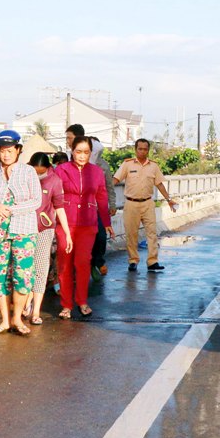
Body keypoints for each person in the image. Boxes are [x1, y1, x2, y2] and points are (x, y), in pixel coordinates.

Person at [0, 130, 42, 336]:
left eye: (10, 150)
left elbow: (36, 201)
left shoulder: (28, 172)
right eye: (2, 151)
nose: (5, 155)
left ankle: (17, 318)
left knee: (22, 275)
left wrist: (8, 211)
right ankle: (5, 321)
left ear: (18, 150)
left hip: (24, 231)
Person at [54, 136, 112, 318]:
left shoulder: (96, 172)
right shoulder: (61, 170)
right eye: (78, 152)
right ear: (71, 150)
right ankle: (66, 304)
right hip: (65, 223)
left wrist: (107, 223)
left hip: (88, 224)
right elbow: (54, 197)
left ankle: (82, 301)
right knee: (64, 263)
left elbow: (102, 198)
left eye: (86, 152)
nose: (82, 156)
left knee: (82, 262)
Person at [113, 138, 177, 273]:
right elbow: (115, 179)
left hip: (148, 203)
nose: (142, 151)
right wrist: (102, 189)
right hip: (131, 203)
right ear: (135, 150)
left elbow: (159, 184)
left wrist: (169, 199)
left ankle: (152, 261)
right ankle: (133, 261)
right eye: (140, 149)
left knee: (152, 233)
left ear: (148, 150)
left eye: (145, 149)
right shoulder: (127, 165)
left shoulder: (153, 166)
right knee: (131, 234)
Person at [28, 152, 72, 326]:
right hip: (24, 229)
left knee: (40, 269)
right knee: (25, 269)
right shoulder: (24, 178)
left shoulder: (54, 181)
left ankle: (36, 311)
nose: (38, 175)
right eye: (35, 171)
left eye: (41, 172)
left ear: (48, 168)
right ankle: (26, 302)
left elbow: (59, 208)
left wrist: (67, 233)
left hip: (45, 230)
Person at [89, 136, 116, 281]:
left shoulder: (104, 166)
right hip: (83, 208)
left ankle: (98, 261)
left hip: (100, 208)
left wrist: (111, 205)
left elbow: (109, 187)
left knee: (100, 237)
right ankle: (92, 264)